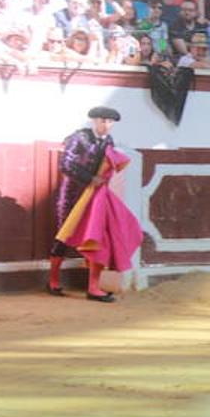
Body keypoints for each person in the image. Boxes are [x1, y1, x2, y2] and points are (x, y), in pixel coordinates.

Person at [48, 106, 142, 302]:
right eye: (103, 121)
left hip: (95, 195)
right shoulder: (79, 138)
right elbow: (65, 164)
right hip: (72, 194)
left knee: (97, 236)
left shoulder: (108, 140)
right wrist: (90, 178)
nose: (107, 125)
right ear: (94, 121)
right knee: (65, 235)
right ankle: (53, 280)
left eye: (110, 122)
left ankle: (93, 288)